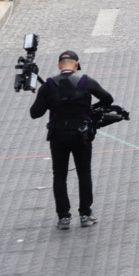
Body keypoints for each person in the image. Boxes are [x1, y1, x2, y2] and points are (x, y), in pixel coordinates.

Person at [28, 50, 115, 229]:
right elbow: (108, 99)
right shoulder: (86, 82)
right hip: (81, 135)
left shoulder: (49, 85)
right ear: (77, 64)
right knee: (84, 173)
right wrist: (90, 109)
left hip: (58, 135)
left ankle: (64, 217)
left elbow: (35, 113)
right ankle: (85, 214)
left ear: (60, 65)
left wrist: (50, 100)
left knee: (59, 175)